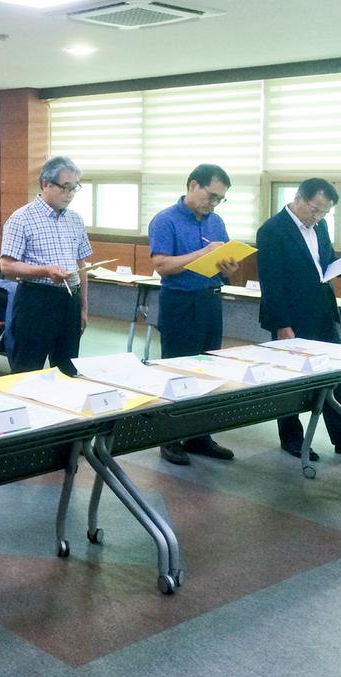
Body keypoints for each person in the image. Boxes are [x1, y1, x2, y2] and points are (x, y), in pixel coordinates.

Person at [256, 177, 341, 460]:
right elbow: (271, 283)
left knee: (336, 375)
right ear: (299, 199)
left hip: (322, 312)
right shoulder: (271, 231)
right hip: (291, 317)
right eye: (315, 210)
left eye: (324, 212)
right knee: (291, 381)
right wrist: (281, 325)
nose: (318, 216)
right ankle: (291, 439)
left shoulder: (320, 226)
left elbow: (324, 265)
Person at [149, 164, 240, 466]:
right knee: (176, 370)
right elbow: (161, 265)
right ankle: (170, 438)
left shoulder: (217, 222)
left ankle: (200, 435)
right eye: (211, 195)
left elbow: (224, 262)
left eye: (220, 199)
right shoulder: (165, 220)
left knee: (207, 370)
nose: (213, 203)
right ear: (192, 185)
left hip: (211, 300)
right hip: (180, 301)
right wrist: (201, 254)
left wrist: (229, 268)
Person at [0, 156, 91, 374]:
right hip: (36, 301)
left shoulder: (75, 219)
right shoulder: (21, 218)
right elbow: (7, 266)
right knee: (28, 369)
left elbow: (82, 265)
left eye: (74, 188)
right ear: (46, 184)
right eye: (65, 187)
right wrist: (44, 271)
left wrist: (83, 307)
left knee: (68, 368)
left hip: (70, 300)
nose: (70, 195)